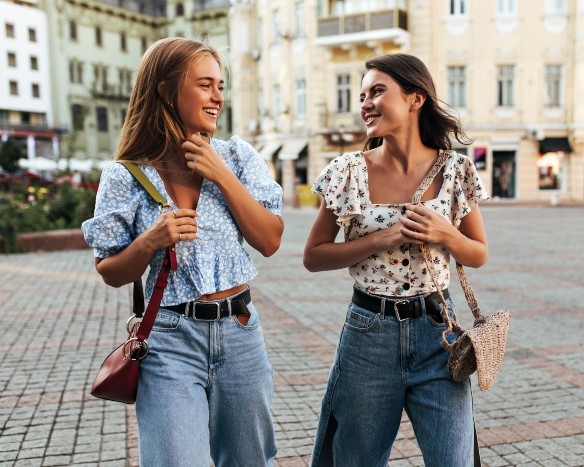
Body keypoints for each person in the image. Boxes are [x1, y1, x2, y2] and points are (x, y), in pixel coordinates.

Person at [81, 37, 283, 466]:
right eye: (205, 84)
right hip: (170, 341)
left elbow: (270, 240)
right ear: (166, 89)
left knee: (250, 460)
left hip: (241, 332)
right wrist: (150, 241)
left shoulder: (236, 156)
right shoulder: (125, 175)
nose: (218, 98)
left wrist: (221, 175)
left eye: (221, 86)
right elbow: (111, 271)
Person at [303, 53, 489, 466]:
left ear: (415, 98)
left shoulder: (456, 169)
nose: (366, 103)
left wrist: (445, 234)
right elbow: (313, 256)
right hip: (369, 334)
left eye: (377, 91)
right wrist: (381, 238)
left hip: (439, 334)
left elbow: (478, 254)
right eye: (362, 95)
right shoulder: (347, 171)